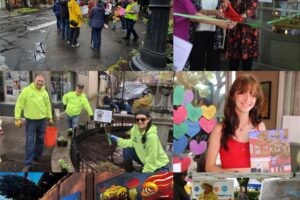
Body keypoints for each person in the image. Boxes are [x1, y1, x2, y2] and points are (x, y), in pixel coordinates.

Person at [205, 74, 266, 172]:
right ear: (233, 95)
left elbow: (264, 167)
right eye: (243, 93)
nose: (247, 99)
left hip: (254, 185)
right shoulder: (219, 129)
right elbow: (209, 167)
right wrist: (234, 175)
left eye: (252, 95)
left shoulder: (260, 127)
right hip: (229, 184)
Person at [14, 74, 53, 172]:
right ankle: (28, 164)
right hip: (31, 121)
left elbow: (48, 105)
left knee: (40, 140)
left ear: (43, 82)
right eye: (38, 80)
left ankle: (37, 156)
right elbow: (19, 104)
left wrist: (50, 118)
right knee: (30, 142)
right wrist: (17, 118)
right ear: (34, 80)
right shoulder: (26, 91)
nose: (40, 82)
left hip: (42, 120)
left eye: (41, 81)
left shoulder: (44, 93)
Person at [189, 0, 237, 71]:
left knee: (213, 65)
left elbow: (225, 11)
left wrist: (225, 7)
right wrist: (214, 12)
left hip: (216, 34)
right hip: (198, 32)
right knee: (196, 64)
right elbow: (194, 11)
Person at [225, 0, 259, 70]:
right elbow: (227, 9)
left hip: (247, 33)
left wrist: (238, 19)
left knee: (247, 65)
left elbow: (250, 11)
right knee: (233, 64)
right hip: (234, 31)